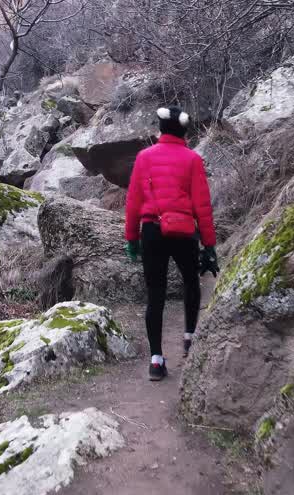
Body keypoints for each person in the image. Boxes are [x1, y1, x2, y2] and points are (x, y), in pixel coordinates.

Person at [123, 106, 220, 381]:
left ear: (161, 129)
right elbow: (203, 206)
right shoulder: (192, 159)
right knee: (191, 283)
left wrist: (132, 238)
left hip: (152, 231)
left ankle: (156, 361)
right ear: (185, 131)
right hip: (184, 232)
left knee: (156, 294)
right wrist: (209, 244)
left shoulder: (144, 158)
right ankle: (190, 338)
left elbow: (133, 202)